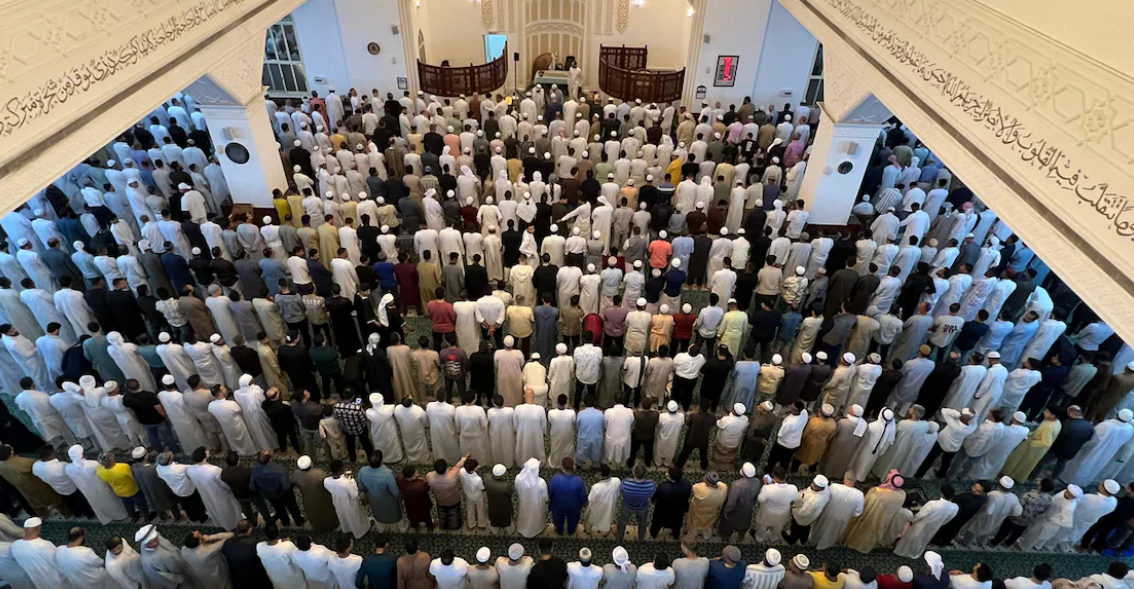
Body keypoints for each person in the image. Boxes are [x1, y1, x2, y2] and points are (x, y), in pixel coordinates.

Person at [843, 470, 907, 553]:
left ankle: (853, 544)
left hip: (870, 516)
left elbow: (866, 504)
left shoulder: (877, 492)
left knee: (861, 531)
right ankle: (864, 547)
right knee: (873, 535)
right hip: (884, 520)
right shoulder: (902, 494)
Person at [894, 483, 960, 558]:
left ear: (942, 494)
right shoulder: (955, 507)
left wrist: (912, 520)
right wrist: (939, 524)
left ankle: (902, 551)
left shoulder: (932, 504)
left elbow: (921, 514)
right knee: (924, 539)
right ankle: (914, 553)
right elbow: (947, 520)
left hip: (921, 524)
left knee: (912, 537)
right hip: (935, 526)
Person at [718, 462, 761, 542]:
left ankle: (725, 536)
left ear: (743, 473)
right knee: (744, 525)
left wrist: (726, 511)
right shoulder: (757, 481)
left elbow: (731, 502)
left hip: (736, 510)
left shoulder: (737, 485)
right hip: (748, 510)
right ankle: (740, 537)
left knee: (728, 525)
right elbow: (756, 496)